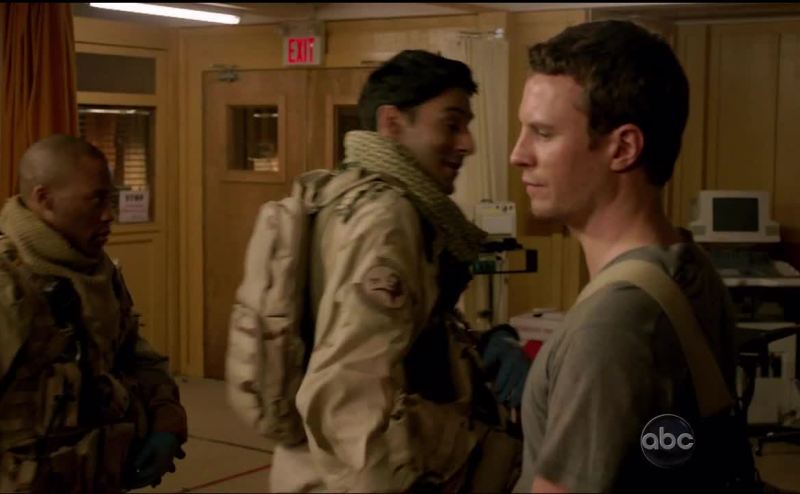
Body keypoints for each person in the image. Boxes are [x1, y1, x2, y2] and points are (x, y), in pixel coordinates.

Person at [269, 49, 530, 492]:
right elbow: (349, 389)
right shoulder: (387, 218)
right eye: (451, 124)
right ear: (391, 123)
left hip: (325, 464)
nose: (467, 144)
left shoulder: (342, 197)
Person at [510, 20, 753, 493]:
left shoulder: (610, 328)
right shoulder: (689, 266)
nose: (518, 154)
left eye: (542, 133)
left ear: (623, 148)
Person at [0, 135, 187, 493]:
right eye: (96, 200)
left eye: (110, 199)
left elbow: (132, 355)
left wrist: (166, 418)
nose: (108, 215)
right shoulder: (10, 286)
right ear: (44, 199)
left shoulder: (97, 272)